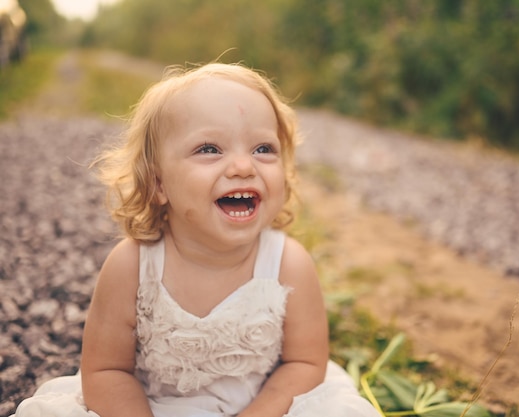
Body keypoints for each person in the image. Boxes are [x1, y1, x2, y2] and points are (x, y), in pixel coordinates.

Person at [11, 62, 381, 417]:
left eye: (263, 149)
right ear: (158, 184)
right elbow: (106, 371)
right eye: (209, 149)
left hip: (266, 406)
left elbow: (305, 363)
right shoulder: (133, 266)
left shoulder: (288, 263)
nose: (243, 166)